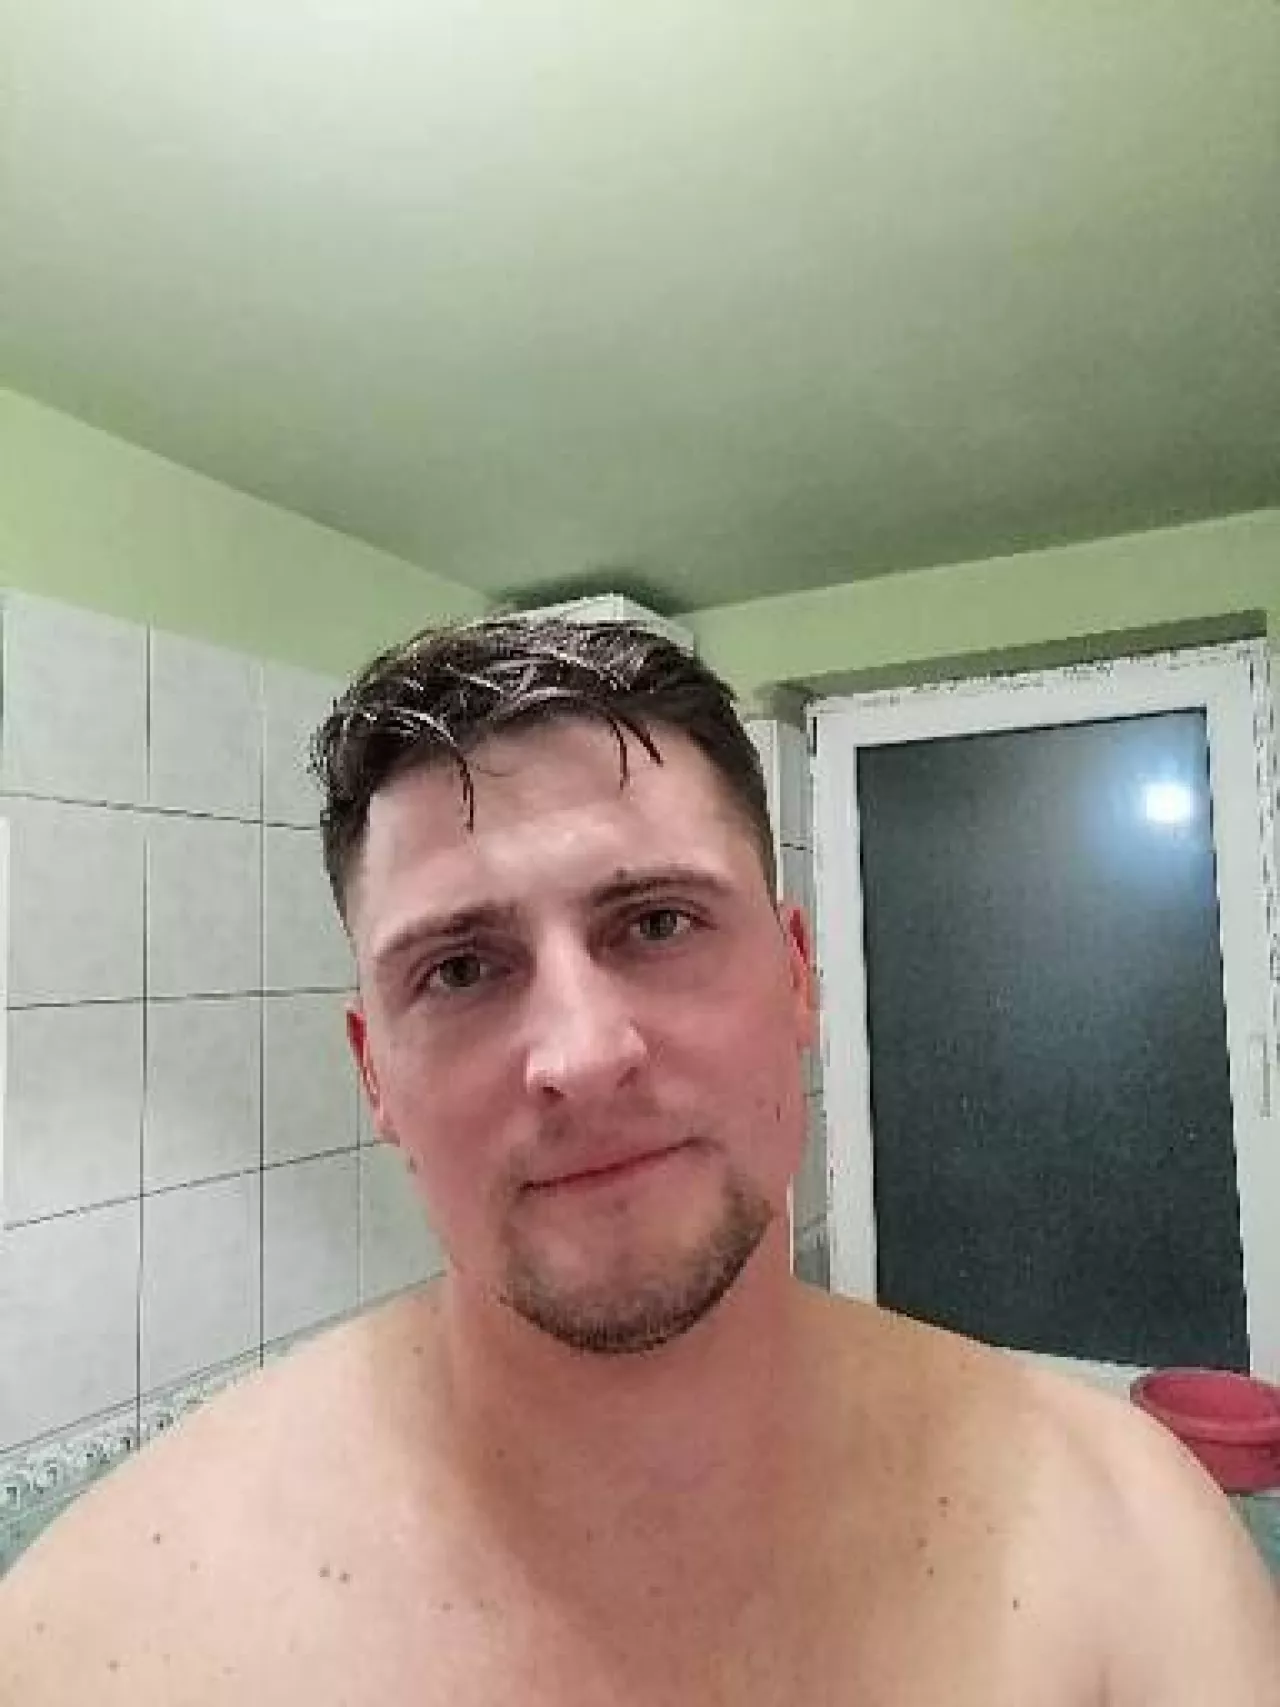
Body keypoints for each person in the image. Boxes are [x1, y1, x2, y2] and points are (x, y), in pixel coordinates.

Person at [1, 615, 1275, 1704]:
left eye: (657, 922)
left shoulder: (1126, 1549)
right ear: (373, 1071)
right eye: (461, 968)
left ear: (796, 977)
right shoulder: (103, 1637)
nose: (580, 1055)